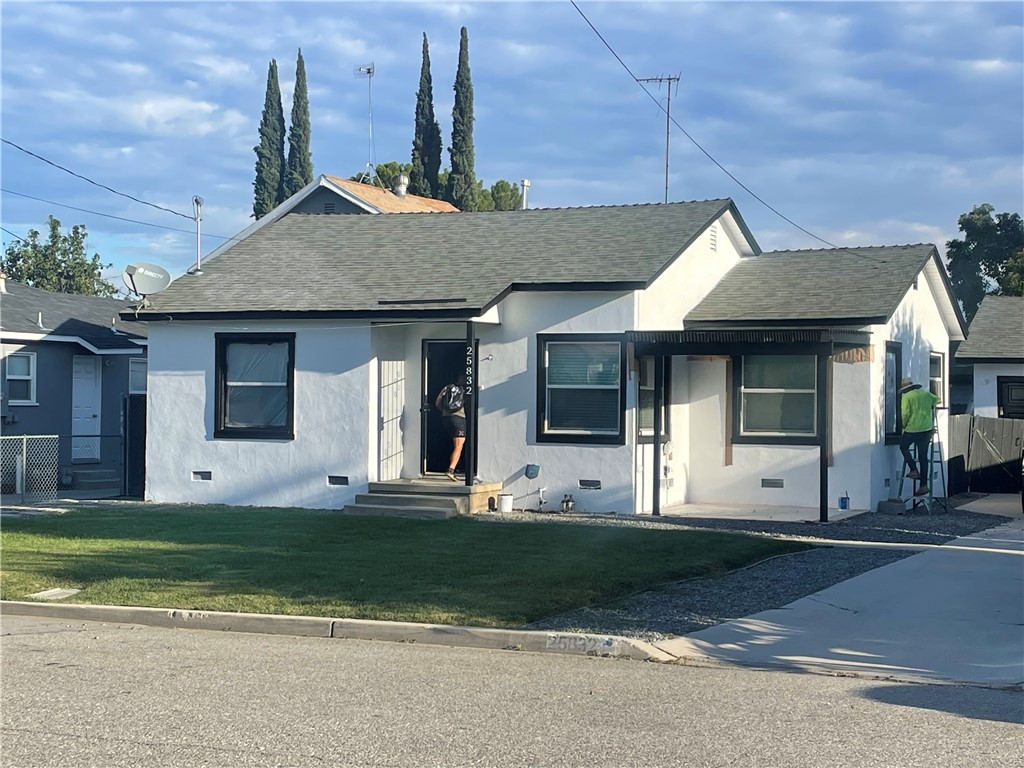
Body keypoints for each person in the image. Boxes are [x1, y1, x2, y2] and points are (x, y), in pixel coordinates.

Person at [899, 376, 940, 495]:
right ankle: (923, 485)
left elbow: (905, 413)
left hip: (912, 429)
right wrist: (928, 407)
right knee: (923, 457)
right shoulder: (925, 394)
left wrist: (904, 425)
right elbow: (938, 400)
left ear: (905, 388)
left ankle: (913, 469)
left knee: (903, 447)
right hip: (927, 429)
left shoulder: (907, 397)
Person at [435, 374, 467, 482]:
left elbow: (437, 402)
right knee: (459, 446)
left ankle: (456, 466)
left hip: (446, 419)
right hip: (458, 419)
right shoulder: (465, 389)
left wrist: (445, 412)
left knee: (454, 445)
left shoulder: (447, 387)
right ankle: (451, 470)